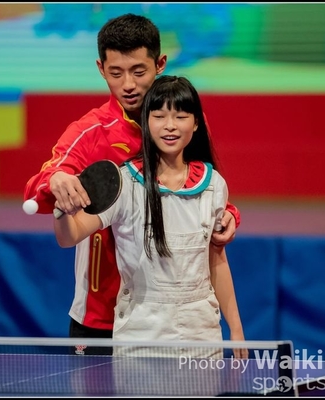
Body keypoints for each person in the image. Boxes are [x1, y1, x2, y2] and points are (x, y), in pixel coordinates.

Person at [23, 13, 241, 355]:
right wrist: (57, 180)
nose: (128, 84)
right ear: (100, 69)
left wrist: (228, 214)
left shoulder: (178, 123)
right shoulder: (90, 132)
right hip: (101, 313)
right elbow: (40, 184)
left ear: (160, 64)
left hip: (169, 318)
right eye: (116, 73)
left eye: (139, 72)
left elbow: (200, 186)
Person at [53, 75, 247, 358]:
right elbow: (69, 237)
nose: (170, 125)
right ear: (146, 122)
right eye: (159, 116)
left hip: (202, 336)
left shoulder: (214, 184)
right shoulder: (125, 182)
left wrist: (237, 329)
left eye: (180, 116)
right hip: (140, 339)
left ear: (196, 123)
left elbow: (217, 261)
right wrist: (61, 210)